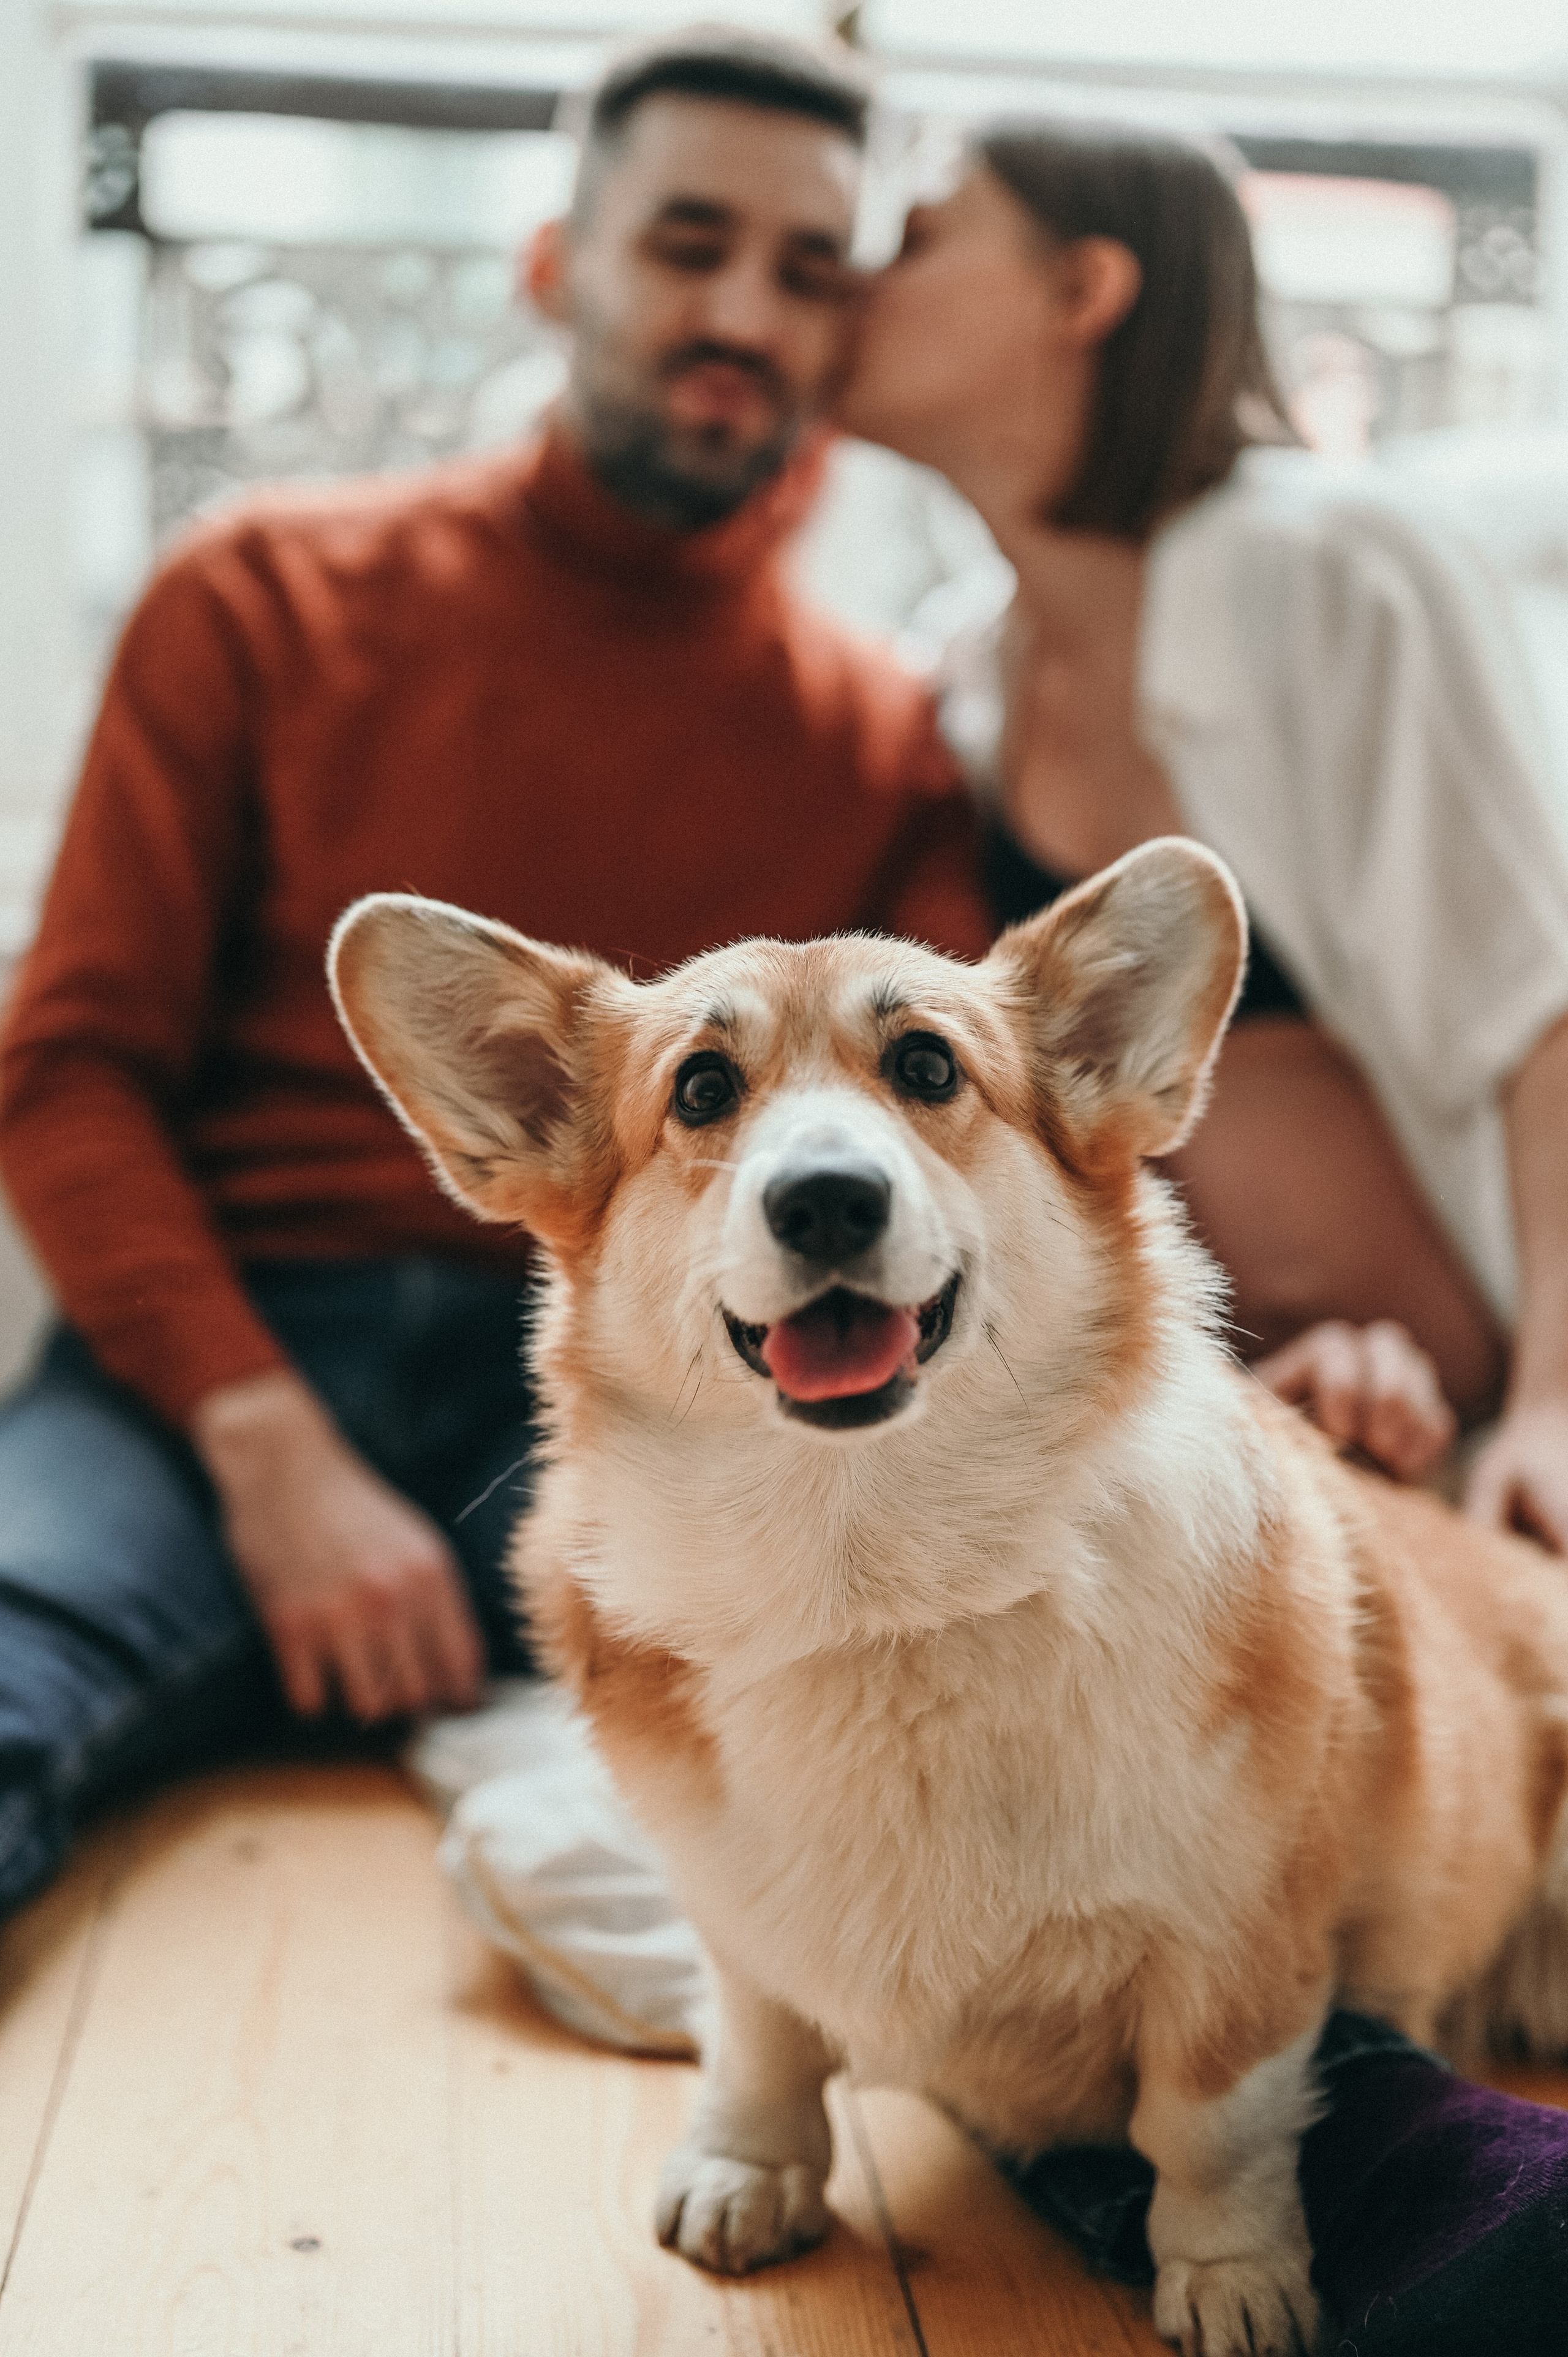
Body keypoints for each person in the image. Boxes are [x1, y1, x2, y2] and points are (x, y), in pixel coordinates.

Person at [0, 26, 991, 1924]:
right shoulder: (261, 593)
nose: (744, 315)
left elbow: (979, 1158)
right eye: (686, 243)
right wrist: (269, 1451)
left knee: (959, 1835)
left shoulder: (886, 739)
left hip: (688, 1380)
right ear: (554, 269)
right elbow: (70, 1071)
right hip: (240, 1366)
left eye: (808, 273)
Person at [834, 121, 1568, 1550]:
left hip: (1500, 1444)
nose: (855, 284)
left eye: (916, 239)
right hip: (1278, 1427)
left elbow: (1541, 1009)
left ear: (1081, 291)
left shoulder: (1330, 567)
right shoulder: (971, 679)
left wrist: (1555, 1406)